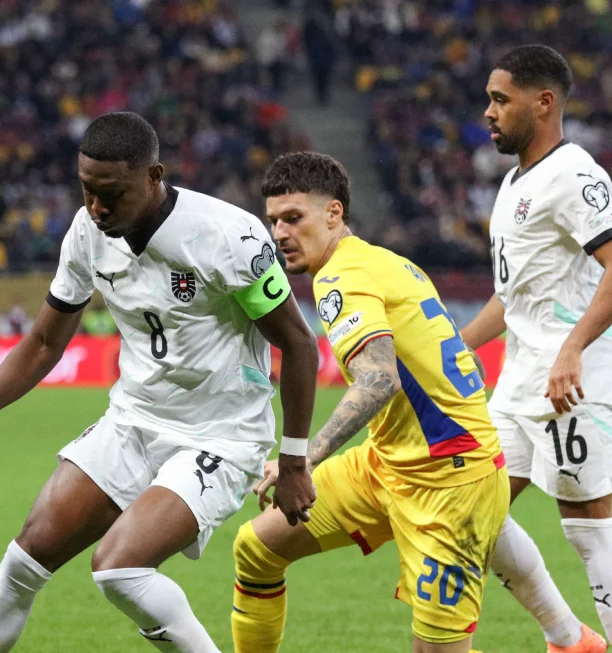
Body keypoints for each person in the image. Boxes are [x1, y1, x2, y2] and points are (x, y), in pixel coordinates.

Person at [0, 112, 320, 653]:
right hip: (132, 421)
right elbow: (42, 343)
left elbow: (297, 345)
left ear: (153, 176)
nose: (98, 208)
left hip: (220, 435)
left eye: (113, 193)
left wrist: (293, 462)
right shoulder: (87, 233)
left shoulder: (228, 236)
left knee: (117, 568)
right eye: (87, 191)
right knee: (23, 560)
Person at [231, 152, 507, 653]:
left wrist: (302, 460)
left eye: (294, 218)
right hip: (386, 464)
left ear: (333, 214)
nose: (279, 234)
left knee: (437, 650)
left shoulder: (343, 277)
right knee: (257, 548)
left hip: (449, 482)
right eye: (273, 221)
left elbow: (380, 380)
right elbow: (454, 359)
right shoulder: (388, 262)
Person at [460, 45, 612, 653]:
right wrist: (455, 348)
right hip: (518, 382)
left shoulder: (575, 173)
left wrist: (571, 349)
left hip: (571, 382)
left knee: (588, 531)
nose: (488, 112)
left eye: (499, 100)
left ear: (543, 103)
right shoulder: (516, 180)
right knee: (471, 515)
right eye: (489, 99)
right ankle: (568, 637)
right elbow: (509, 298)